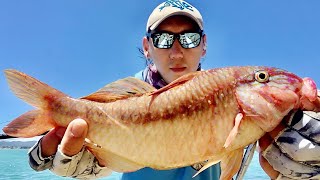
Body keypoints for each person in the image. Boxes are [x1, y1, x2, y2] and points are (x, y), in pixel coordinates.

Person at [28, 0, 320, 179]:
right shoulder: (125, 96)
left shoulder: (234, 100)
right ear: (147, 47)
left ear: (204, 45)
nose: (177, 53)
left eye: (189, 39)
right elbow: (101, 161)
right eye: (164, 40)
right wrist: (57, 161)